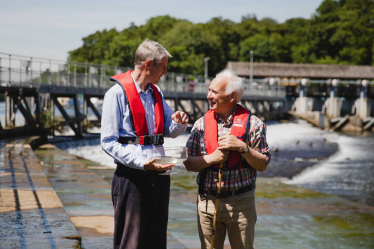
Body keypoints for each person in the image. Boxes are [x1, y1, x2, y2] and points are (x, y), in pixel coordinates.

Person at [101, 39, 188, 249]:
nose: (165, 73)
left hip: (160, 176)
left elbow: (169, 130)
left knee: (156, 240)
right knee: (130, 243)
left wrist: (179, 123)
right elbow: (108, 142)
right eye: (163, 67)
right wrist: (142, 163)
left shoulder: (157, 93)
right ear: (148, 64)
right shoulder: (116, 94)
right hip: (132, 178)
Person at [184, 69, 271, 249]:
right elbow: (189, 163)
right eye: (209, 90)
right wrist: (210, 158)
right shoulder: (200, 124)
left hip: (241, 204)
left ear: (232, 96)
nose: (209, 96)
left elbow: (262, 164)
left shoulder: (254, 124)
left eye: (214, 92)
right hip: (206, 202)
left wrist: (243, 148)